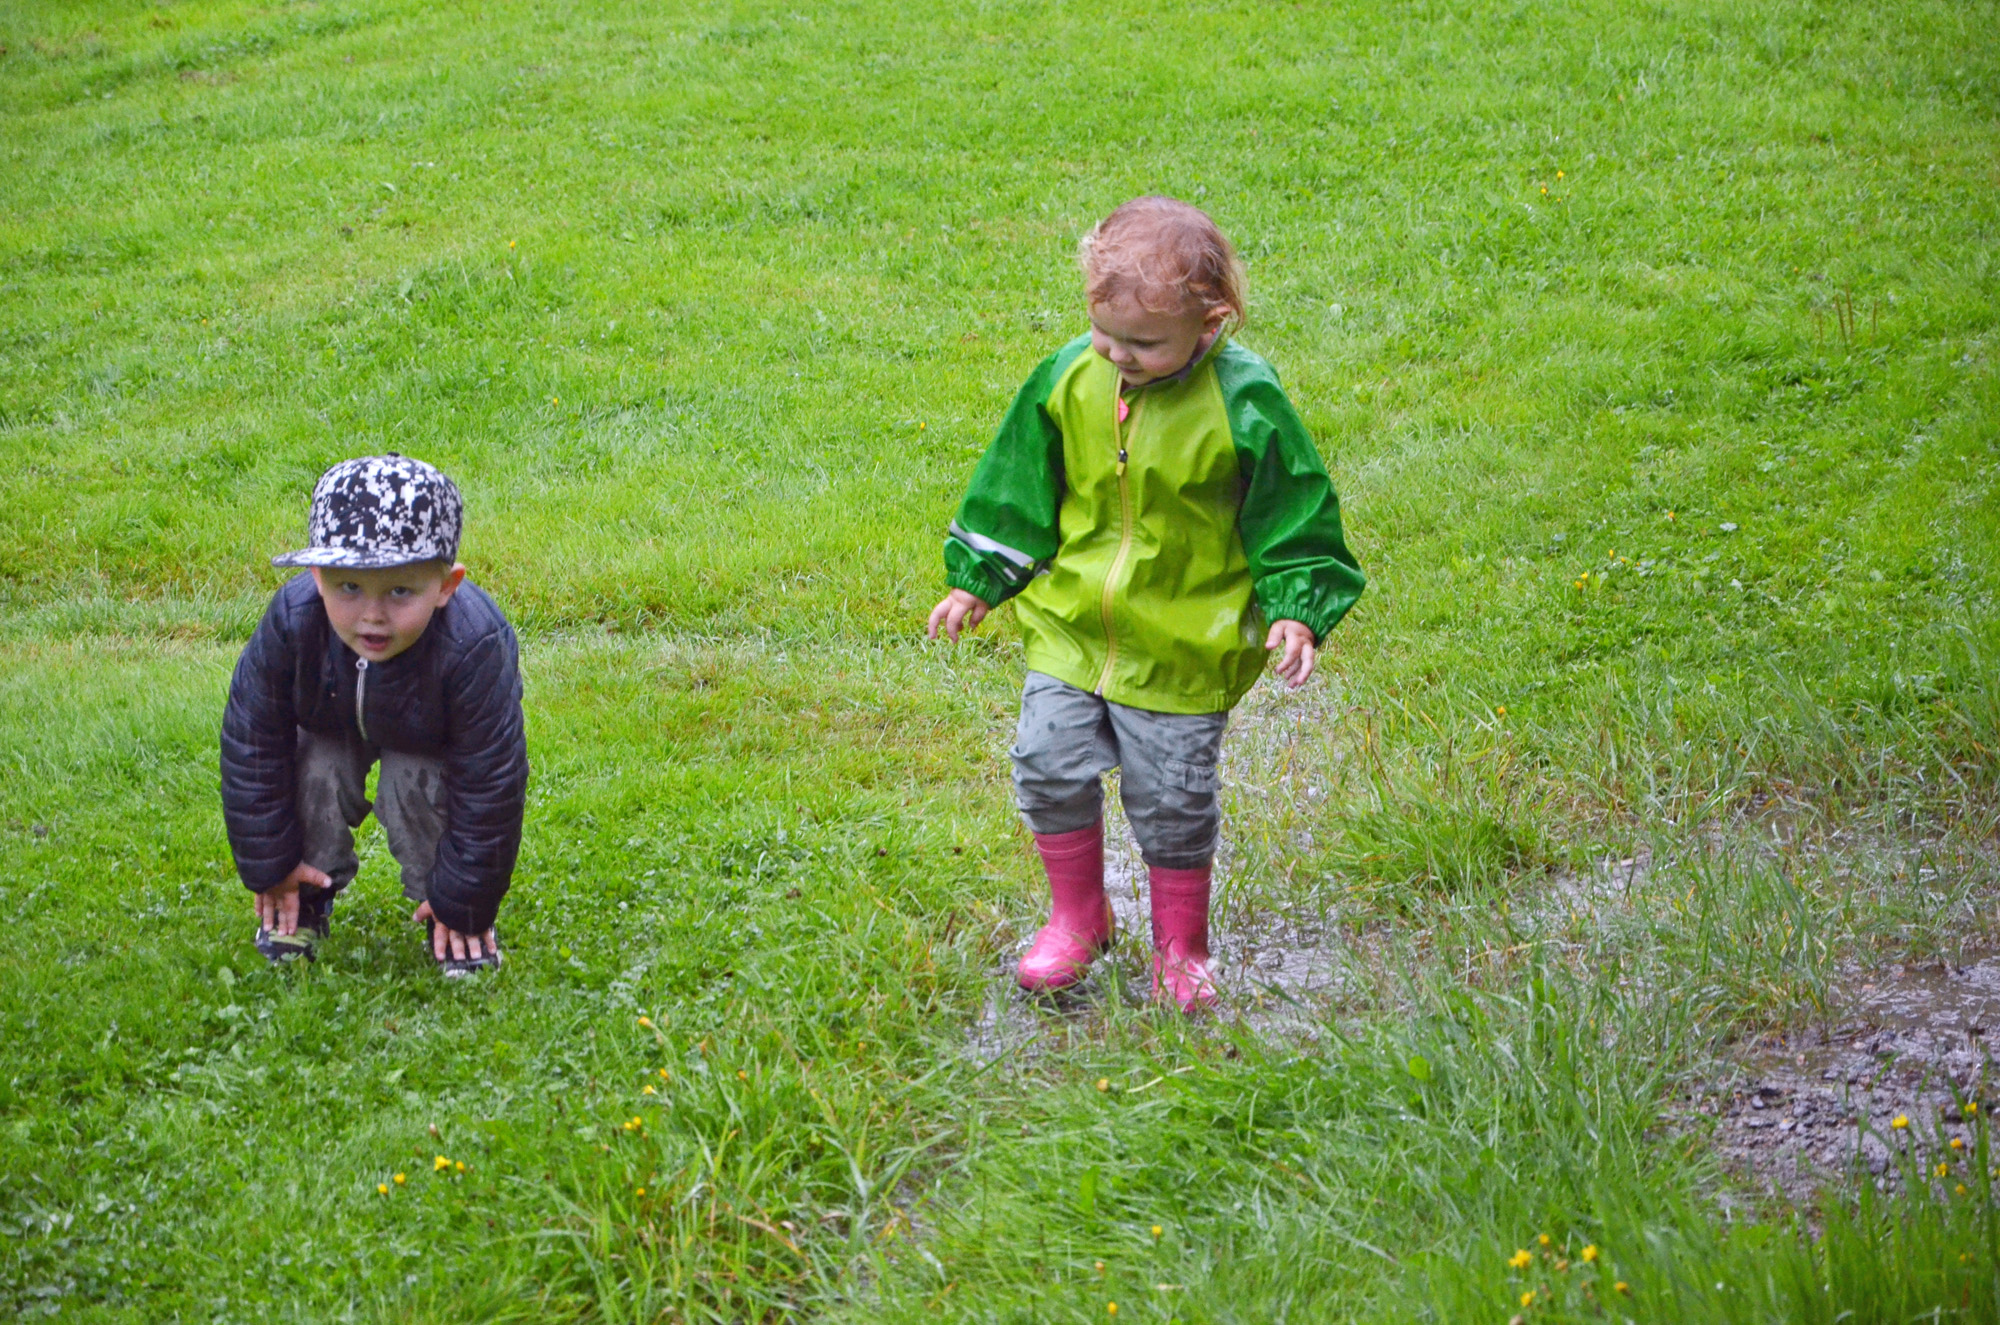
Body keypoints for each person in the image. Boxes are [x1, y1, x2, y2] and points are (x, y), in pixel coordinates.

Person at [928, 196, 1364, 1011]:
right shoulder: (1070, 377)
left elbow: (1292, 508)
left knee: (1172, 800)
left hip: (1182, 643)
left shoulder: (1245, 398)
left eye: (1143, 343)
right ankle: (1078, 917)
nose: (1117, 355)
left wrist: (1296, 603)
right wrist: (977, 577)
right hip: (1071, 628)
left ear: (1211, 322)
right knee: (1047, 764)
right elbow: (1018, 480)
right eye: (1105, 332)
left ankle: (1180, 948)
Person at [220, 454, 528, 976]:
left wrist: (466, 899)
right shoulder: (292, 622)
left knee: (415, 782)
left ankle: (445, 913)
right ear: (318, 577)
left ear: (446, 586)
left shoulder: (475, 644)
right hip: (329, 724)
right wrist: (270, 865)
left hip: (428, 740)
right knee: (316, 768)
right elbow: (252, 740)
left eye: (400, 591)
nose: (372, 615)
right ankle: (304, 894)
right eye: (349, 587)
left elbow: (491, 778)